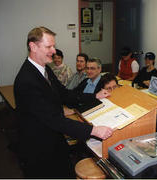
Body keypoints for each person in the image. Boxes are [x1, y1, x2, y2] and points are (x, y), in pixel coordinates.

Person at [14, 26, 113, 178]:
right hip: (39, 148)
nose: (54, 51)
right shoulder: (27, 80)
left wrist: (95, 96)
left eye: (54, 46)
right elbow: (53, 119)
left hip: (53, 139)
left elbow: (65, 94)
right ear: (33, 46)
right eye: (48, 46)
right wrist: (93, 130)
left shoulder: (44, 69)